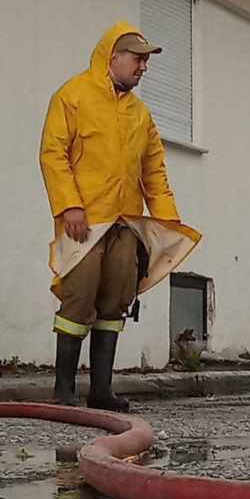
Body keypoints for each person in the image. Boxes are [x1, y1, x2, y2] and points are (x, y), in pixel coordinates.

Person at [38, 21, 201, 410]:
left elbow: (154, 173)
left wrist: (166, 225)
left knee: (114, 303)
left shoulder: (140, 114)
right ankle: (63, 390)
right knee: (78, 300)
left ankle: (100, 389)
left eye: (146, 61)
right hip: (85, 223)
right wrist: (70, 206)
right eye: (138, 59)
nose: (144, 67)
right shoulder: (73, 96)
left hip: (125, 223)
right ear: (114, 57)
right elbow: (52, 153)